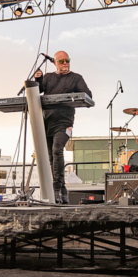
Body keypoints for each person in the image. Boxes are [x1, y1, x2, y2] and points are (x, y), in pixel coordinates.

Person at [34, 51, 92, 204]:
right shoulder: (48, 77)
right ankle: (62, 191)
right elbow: (37, 91)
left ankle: (56, 188)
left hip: (64, 122)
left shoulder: (76, 78)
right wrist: (38, 79)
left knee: (57, 150)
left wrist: (72, 96)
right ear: (54, 62)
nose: (65, 63)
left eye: (67, 60)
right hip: (47, 122)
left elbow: (88, 94)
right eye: (62, 61)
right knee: (50, 157)